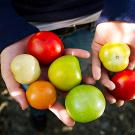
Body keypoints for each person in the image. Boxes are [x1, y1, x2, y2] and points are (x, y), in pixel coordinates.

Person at [1, 0, 135, 127]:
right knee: (33, 90)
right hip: (27, 27)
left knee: (84, 64)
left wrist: (121, 10)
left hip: (95, 21)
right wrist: (9, 29)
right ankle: (38, 112)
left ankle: (39, 110)